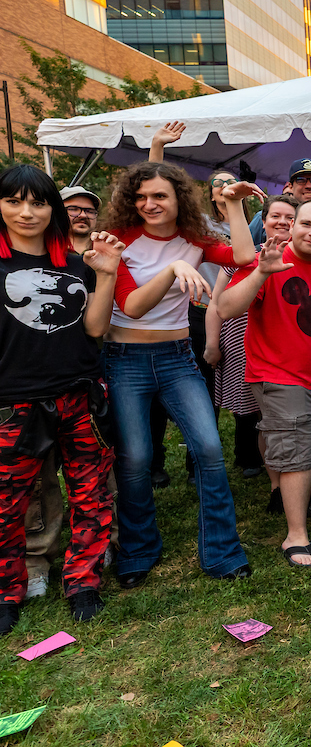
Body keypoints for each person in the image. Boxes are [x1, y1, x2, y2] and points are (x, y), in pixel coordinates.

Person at [101, 162, 254, 587]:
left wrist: (234, 206)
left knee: (208, 448)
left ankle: (222, 551)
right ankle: (137, 550)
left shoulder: (194, 239)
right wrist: (172, 269)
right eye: (141, 197)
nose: (150, 204)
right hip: (125, 357)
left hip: (176, 357)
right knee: (135, 459)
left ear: (178, 199)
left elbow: (243, 257)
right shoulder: (122, 241)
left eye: (160, 196)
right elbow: (130, 305)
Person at [0, 164, 124, 634]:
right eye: (14, 201)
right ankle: (7, 590)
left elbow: (95, 329)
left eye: (37, 202)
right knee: (9, 502)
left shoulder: (74, 264)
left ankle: (83, 581)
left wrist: (107, 275)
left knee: (90, 493)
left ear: (52, 208)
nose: (26, 212)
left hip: (78, 396)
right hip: (13, 403)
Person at [217, 198, 311, 568]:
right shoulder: (268, 259)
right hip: (279, 376)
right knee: (297, 449)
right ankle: (295, 535)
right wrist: (261, 273)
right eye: (307, 224)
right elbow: (226, 308)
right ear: (293, 224)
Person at [208, 196, 299, 489]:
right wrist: (212, 343)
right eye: (275, 216)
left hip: (284, 342)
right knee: (254, 410)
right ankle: (262, 469)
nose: (282, 222)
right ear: (263, 221)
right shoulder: (243, 256)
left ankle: (282, 468)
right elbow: (216, 303)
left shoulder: (309, 256)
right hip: (240, 339)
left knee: (276, 413)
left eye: (290, 217)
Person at [60, 185, 101, 255]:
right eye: (73, 209)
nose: (83, 215)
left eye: (89, 211)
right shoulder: (42, 249)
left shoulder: (107, 249)